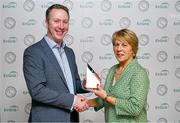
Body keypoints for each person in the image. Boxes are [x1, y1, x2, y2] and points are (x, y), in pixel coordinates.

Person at [23, 4, 88, 122]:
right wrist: (73, 100)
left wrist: (85, 85)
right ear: (47, 23)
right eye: (56, 21)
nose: (61, 26)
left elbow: (72, 85)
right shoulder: (33, 52)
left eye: (65, 22)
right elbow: (37, 91)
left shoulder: (69, 52)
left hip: (71, 119)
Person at [85, 29, 150, 122]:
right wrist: (86, 103)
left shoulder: (139, 73)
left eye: (124, 45)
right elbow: (105, 98)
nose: (119, 49)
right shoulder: (112, 70)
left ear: (133, 50)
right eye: (116, 44)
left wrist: (106, 97)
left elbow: (135, 108)